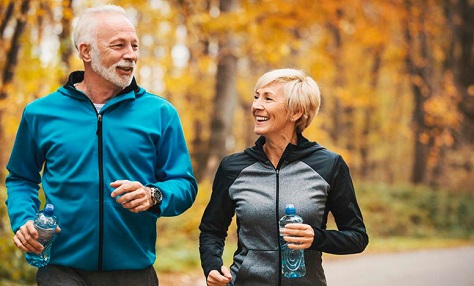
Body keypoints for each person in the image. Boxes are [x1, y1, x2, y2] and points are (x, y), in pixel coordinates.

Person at [5, 4, 197, 285]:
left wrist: (153, 194)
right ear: (86, 52)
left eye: (134, 45)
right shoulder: (41, 113)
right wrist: (24, 220)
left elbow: (184, 184)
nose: (131, 55)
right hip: (61, 270)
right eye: (118, 45)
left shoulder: (160, 113)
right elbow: (21, 178)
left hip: (134, 272)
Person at [199, 68, 368, 286]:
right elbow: (212, 230)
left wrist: (317, 238)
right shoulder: (233, 167)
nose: (256, 106)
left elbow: (357, 237)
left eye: (268, 98)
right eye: (256, 97)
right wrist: (212, 266)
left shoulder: (329, 165)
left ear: (295, 112)